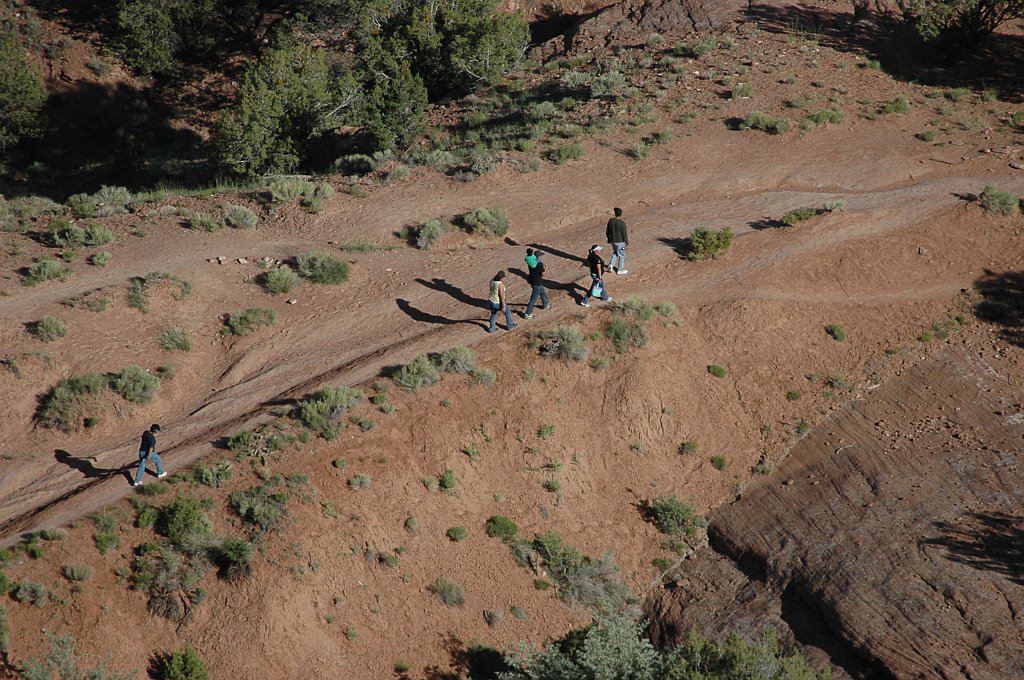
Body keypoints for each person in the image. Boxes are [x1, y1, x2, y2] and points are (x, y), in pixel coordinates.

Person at [524, 251, 550, 319]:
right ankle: (528, 313)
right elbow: (543, 274)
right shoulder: (539, 264)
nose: (541, 257)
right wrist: (545, 268)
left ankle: (546, 304)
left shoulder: (531, 262)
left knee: (542, 292)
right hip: (537, 282)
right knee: (533, 299)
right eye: (540, 256)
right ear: (538, 257)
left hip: (532, 281)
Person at [606, 207, 629, 274]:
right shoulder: (622, 223)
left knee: (616, 252)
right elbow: (624, 234)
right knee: (621, 255)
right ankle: (620, 269)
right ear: (621, 214)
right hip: (620, 242)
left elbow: (607, 231)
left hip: (613, 241)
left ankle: (611, 265)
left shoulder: (611, 220)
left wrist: (609, 238)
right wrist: (627, 242)